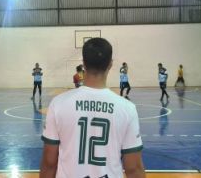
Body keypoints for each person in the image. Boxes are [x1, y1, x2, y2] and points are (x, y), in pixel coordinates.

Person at [40, 38, 145, 178]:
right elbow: (133, 169)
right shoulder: (127, 109)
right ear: (110, 64)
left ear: (83, 63)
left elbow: (49, 163)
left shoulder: (58, 104)